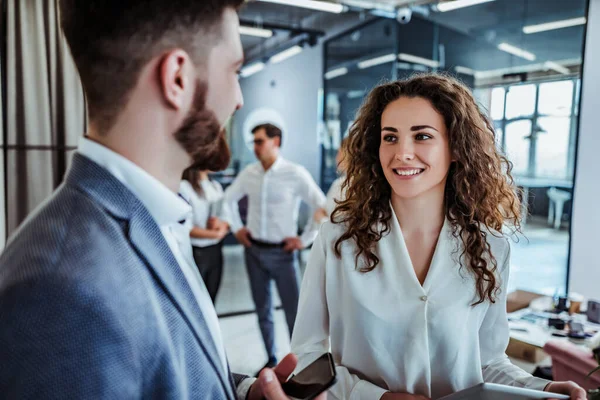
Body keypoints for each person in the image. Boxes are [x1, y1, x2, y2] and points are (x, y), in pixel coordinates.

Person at [0, 1, 324, 399]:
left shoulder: (156, 219)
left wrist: (246, 394)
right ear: (177, 79)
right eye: (234, 71)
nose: (239, 99)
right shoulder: (57, 294)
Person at [291, 74, 585, 400]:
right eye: (390, 137)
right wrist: (377, 397)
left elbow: (486, 361)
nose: (402, 152)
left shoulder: (490, 247)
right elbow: (307, 357)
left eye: (422, 136)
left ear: (456, 147)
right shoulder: (339, 238)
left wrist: (541, 387)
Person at [225, 123, 327, 371]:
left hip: (283, 253)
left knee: (295, 313)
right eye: (254, 142)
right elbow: (227, 200)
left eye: (260, 141)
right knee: (263, 310)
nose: (255, 147)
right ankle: (271, 358)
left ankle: (300, 364)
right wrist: (236, 228)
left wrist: (304, 240)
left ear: (276, 142)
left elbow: (322, 207)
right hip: (254, 252)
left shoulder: (295, 173)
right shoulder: (249, 173)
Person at [180, 166, 230, 303]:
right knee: (196, 300)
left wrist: (220, 226)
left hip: (215, 250)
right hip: (197, 252)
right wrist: (215, 234)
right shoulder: (184, 187)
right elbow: (186, 228)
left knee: (211, 298)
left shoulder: (215, 186)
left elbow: (226, 218)